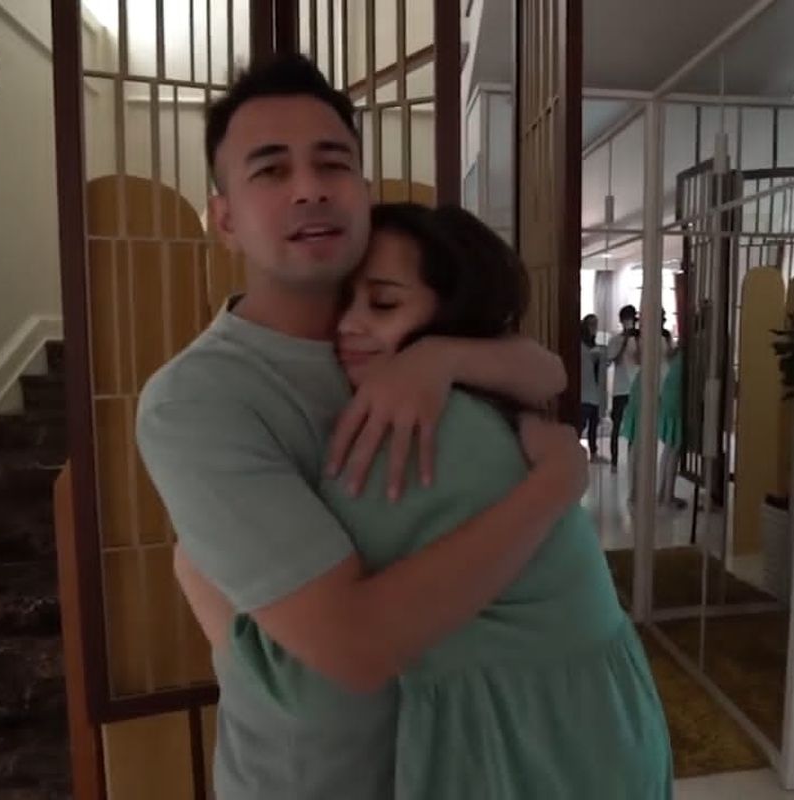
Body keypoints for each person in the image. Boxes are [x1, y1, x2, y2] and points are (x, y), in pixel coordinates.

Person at [136, 54, 585, 799]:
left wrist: (440, 358)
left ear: (365, 193)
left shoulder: (407, 330)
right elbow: (354, 647)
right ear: (226, 219)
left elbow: (546, 370)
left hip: (463, 761)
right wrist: (553, 489)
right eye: (271, 170)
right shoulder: (197, 400)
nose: (309, 187)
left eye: (333, 163)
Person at [176, 202, 674, 798]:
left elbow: (307, 684)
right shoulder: (483, 399)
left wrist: (195, 567)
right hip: (602, 723)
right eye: (343, 301)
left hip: (544, 748)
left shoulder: (420, 434)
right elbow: (547, 369)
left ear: (451, 313)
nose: (347, 324)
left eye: (383, 304)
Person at [623, 328, 686, 511]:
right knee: (642, 445)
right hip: (651, 391)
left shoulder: (647, 340)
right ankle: (640, 492)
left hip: (649, 390)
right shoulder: (652, 340)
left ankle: (638, 492)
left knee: (640, 445)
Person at [606, 304, 641, 471]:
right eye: (626, 319)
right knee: (617, 425)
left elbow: (640, 360)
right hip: (620, 389)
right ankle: (614, 461)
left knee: (634, 426)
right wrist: (625, 341)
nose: (629, 322)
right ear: (621, 321)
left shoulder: (639, 339)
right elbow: (614, 360)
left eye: (631, 319)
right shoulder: (614, 340)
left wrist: (637, 341)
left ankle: (632, 458)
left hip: (635, 388)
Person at [579, 313, 605, 460]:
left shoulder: (595, 346)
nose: (594, 328)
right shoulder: (580, 346)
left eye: (596, 324)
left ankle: (593, 452)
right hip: (584, 390)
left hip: (594, 390)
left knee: (594, 424)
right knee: (582, 423)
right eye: (592, 324)